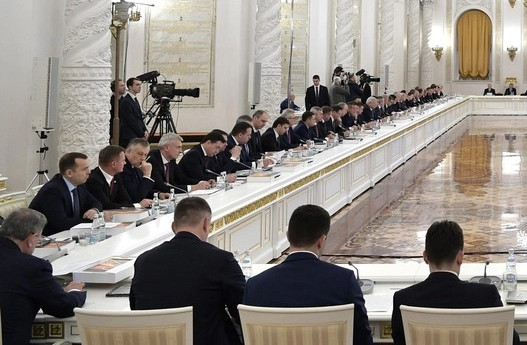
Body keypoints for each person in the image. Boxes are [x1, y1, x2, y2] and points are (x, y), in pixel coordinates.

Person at [244, 205, 372, 345]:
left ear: (288, 235)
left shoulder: (255, 285)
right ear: (322, 241)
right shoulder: (344, 281)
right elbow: (362, 337)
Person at [130, 197, 244, 345]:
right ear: (206, 224)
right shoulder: (221, 260)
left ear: (173, 227)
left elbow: (136, 308)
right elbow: (242, 311)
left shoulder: (144, 260)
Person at [391, 220, 520, 345]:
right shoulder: (487, 296)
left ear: (425, 257)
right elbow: (511, 340)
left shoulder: (403, 299)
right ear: (460, 257)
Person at [0, 208, 87, 345]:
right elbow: (63, 307)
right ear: (31, 239)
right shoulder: (32, 267)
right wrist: (75, 291)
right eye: (39, 238)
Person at [28, 152, 103, 235]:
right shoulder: (52, 191)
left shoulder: (79, 185)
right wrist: (94, 220)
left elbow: (96, 203)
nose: (89, 172)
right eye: (84, 169)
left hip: (68, 234)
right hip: (45, 237)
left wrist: (94, 210)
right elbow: (62, 224)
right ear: (69, 173)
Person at [85, 144, 149, 209]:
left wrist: (123, 205)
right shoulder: (93, 180)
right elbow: (106, 206)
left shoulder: (116, 176)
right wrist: (138, 205)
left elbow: (127, 200)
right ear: (114, 164)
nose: (125, 163)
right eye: (123, 160)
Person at [117, 77, 149, 145]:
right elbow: (131, 120)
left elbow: (139, 118)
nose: (140, 87)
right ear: (130, 87)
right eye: (137, 85)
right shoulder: (126, 101)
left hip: (136, 134)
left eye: (140, 85)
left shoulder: (134, 99)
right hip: (129, 136)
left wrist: (145, 130)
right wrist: (141, 133)